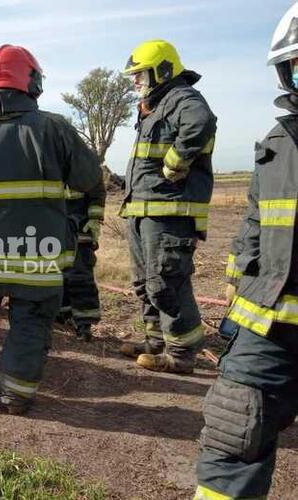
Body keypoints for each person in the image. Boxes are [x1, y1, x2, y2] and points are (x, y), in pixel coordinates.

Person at [0, 44, 103, 414]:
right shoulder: (55, 128)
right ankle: (16, 395)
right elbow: (88, 178)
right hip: (40, 256)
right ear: (30, 81)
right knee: (30, 325)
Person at [195, 5, 298, 498]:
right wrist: (238, 288)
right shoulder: (278, 144)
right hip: (267, 329)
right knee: (231, 432)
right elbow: (256, 224)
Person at [117, 39, 217, 374]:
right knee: (145, 282)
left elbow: (201, 122)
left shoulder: (181, 98)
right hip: (144, 209)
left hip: (169, 211)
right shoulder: (154, 105)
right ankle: (155, 342)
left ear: (161, 70)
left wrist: (176, 160)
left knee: (166, 282)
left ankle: (181, 355)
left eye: (140, 75)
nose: (135, 82)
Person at [59, 181, 105, 341]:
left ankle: (84, 323)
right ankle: (62, 314)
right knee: (52, 273)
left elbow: (96, 188)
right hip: (52, 225)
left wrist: (94, 219)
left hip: (79, 225)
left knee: (79, 274)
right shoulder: (43, 157)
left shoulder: (82, 158)